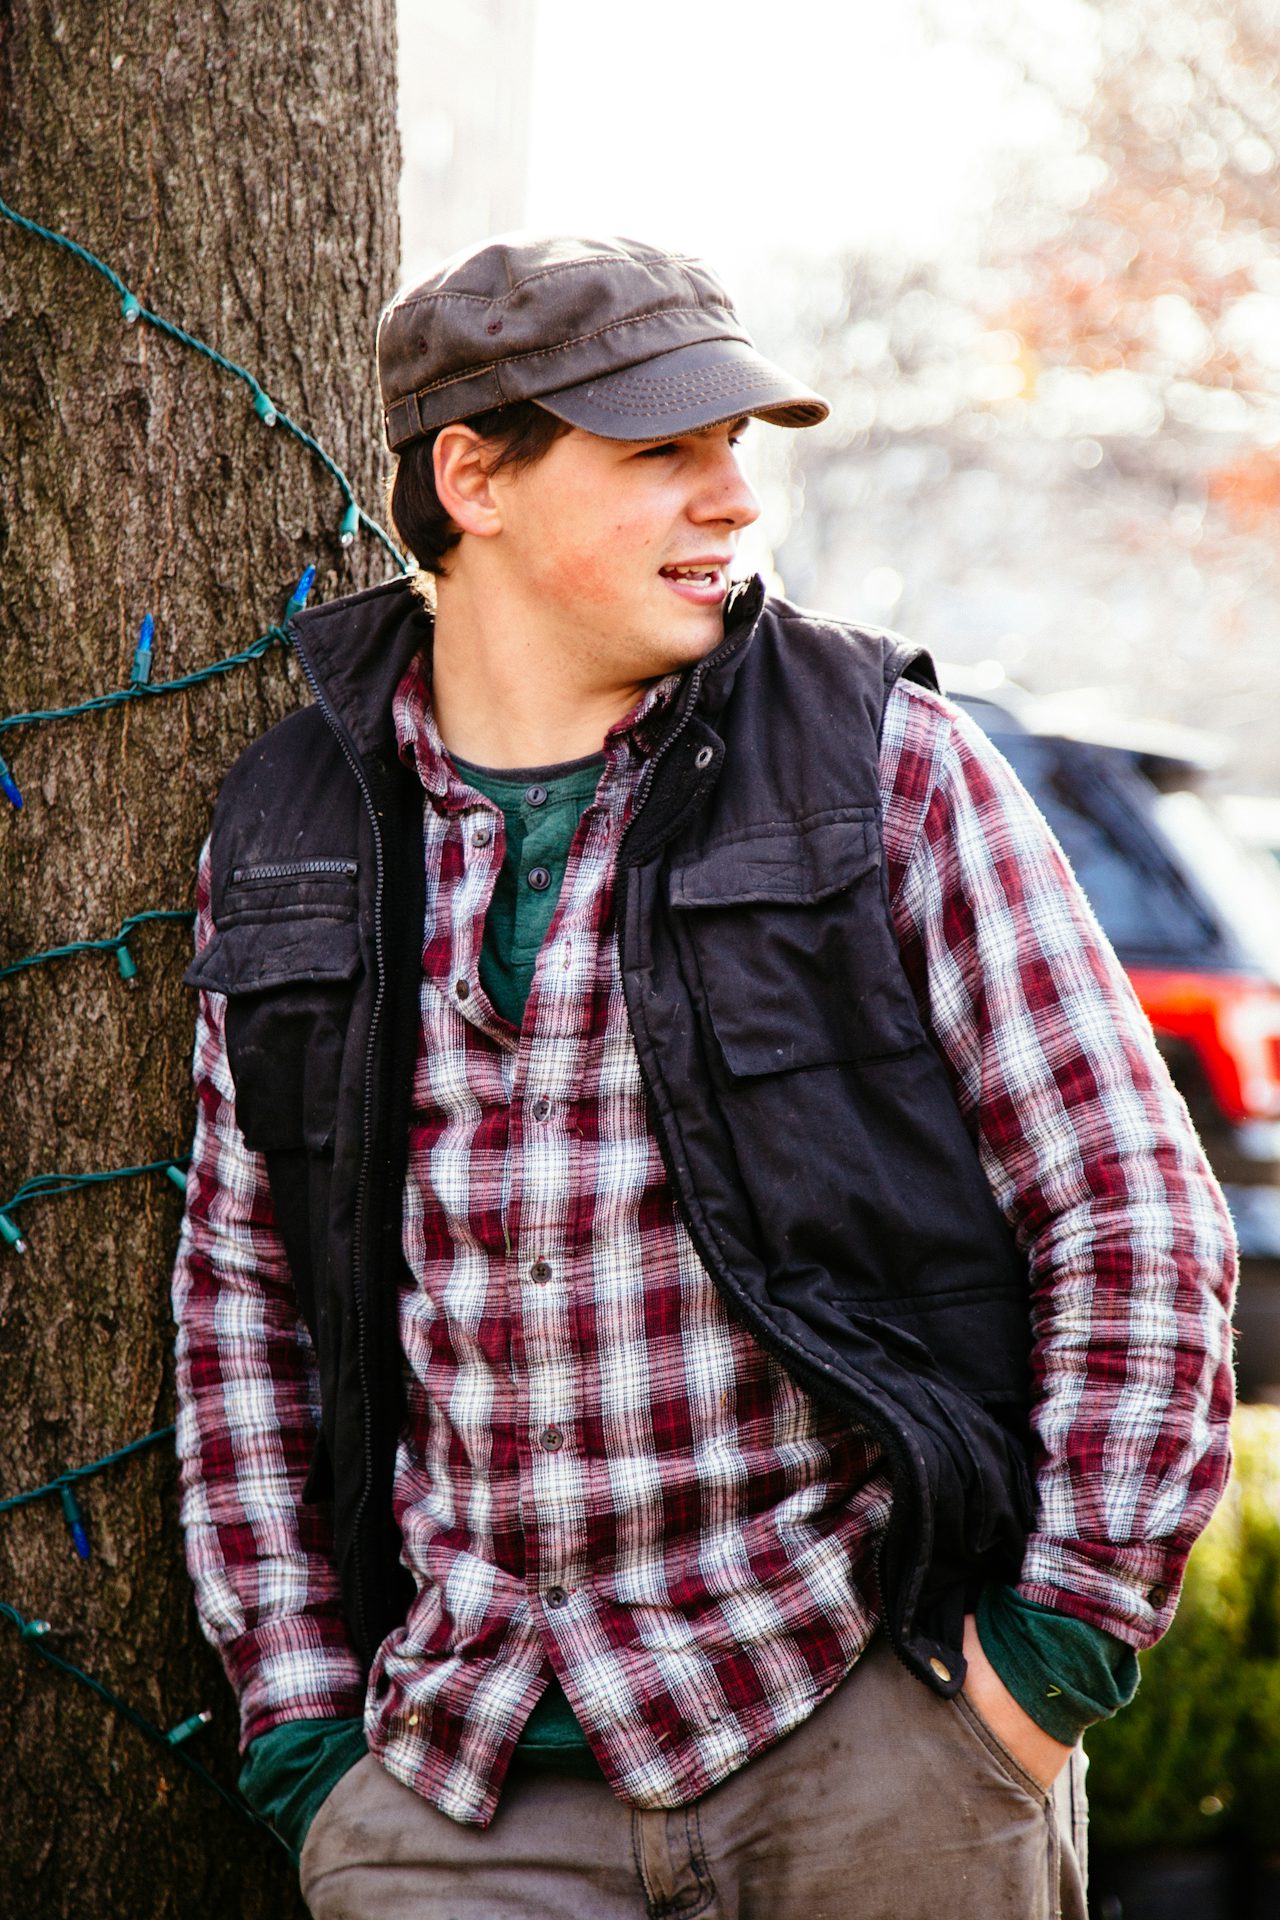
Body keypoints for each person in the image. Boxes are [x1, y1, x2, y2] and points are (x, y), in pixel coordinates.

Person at [171, 233, 1236, 1920]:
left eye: (739, 449)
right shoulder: (296, 825)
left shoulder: (887, 765)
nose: (734, 500)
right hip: (455, 1796)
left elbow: (1131, 1214)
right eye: (663, 452)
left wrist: (1044, 1671)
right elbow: (242, 1304)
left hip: (873, 1749)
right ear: (476, 478)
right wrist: (306, 1737)